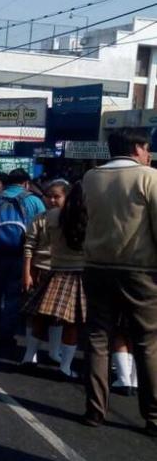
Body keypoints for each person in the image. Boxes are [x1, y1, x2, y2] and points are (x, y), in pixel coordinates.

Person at [81, 128, 157, 435]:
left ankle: (94, 410)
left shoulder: (91, 177)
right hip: (140, 270)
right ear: (137, 148)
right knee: (147, 342)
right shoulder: (149, 177)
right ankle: (153, 416)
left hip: (96, 266)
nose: (149, 153)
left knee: (98, 339)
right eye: (147, 147)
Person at [0, 168, 45, 351]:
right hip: (21, 255)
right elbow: (42, 227)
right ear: (26, 183)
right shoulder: (34, 201)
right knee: (13, 297)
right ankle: (7, 336)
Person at [21, 181, 82, 376]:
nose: (52, 199)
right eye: (49, 196)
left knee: (42, 316)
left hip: (55, 270)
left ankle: (32, 356)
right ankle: (63, 366)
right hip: (74, 273)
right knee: (71, 321)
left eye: (57, 196)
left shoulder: (50, 217)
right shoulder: (88, 219)